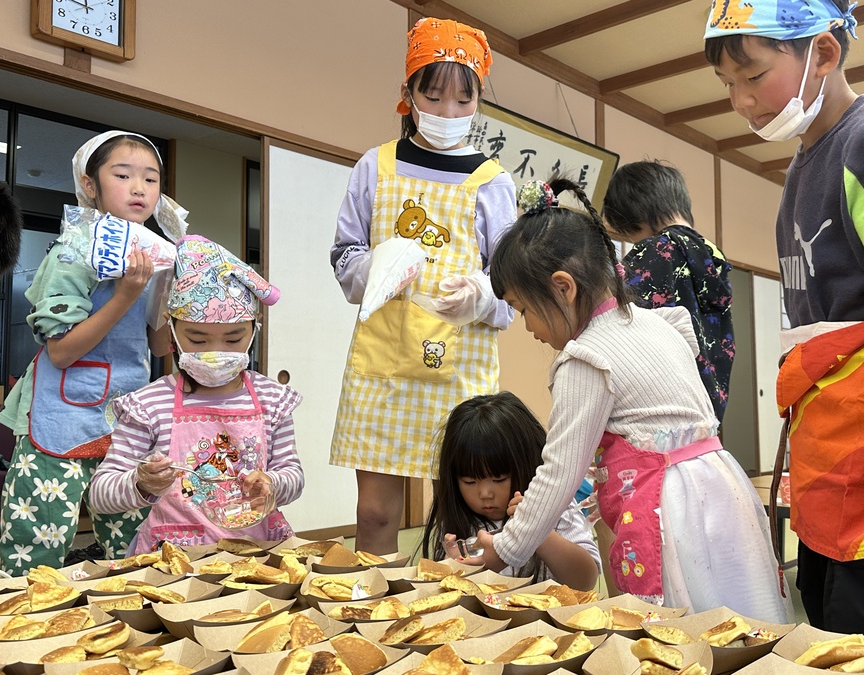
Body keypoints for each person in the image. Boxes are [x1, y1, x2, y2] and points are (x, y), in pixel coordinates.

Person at [472, 177, 792, 622]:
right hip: (722, 490)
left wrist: (505, 548)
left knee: (680, 633)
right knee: (739, 620)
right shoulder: (660, 324)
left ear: (563, 288)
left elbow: (559, 471)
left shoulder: (585, 359)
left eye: (524, 309)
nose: (527, 327)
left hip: (668, 511)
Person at [705, 0, 864, 634]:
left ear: (826, 53)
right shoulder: (797, 174)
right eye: (728, 85)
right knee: (821, 617)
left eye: (753, 76)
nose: (740, 100)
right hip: (822, 445)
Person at [329, 17, 517, 554]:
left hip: (460, 364)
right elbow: (344, 258)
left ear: (480, 99)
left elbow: (508, 283)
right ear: (407, 93)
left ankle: (453, 623)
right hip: (383, 360)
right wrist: (377, 270)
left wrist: (480, 296)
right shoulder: (376, 166)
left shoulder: (491, 180)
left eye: (463, 99)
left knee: (463, 517)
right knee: (374, 514)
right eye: (432, 96)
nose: (447, 113)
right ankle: (374, 616)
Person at [0, 130, 187, 575]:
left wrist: (176, 295)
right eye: (123, 175)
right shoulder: (72, 252)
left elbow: (159, 346)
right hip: (58, 416)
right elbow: (60, 350)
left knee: (136, 542)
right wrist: (125, 294)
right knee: (38, 545)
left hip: (128, 413)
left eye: (151, 179)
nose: (139, 188)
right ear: (89, 184)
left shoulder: (155, 255)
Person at [88, 235, 303, 551]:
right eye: (199, 341)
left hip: (257, 550)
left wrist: (273, 484)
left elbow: (293, 475)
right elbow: (100, 493)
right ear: (171, 329)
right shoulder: (149, 405)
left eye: (232, 340)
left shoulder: (273, 400)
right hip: (173, 556)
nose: (216, 352)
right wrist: (141, 483)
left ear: (254, 328)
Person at [420, 391, 600, 589]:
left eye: (499, 479)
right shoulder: (461, 518)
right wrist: (451, 568)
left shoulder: (554, 506)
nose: (485, 494)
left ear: (529, 465)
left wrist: (535, 529)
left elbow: (586, 581)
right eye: (470, 482)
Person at [603, 160, 734, 423]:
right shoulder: (712, 253)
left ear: (639, 213)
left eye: (633, 235)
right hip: (706, 399)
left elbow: (620, 321)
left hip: (662, 402)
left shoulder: (654, 251)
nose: (635, 244)